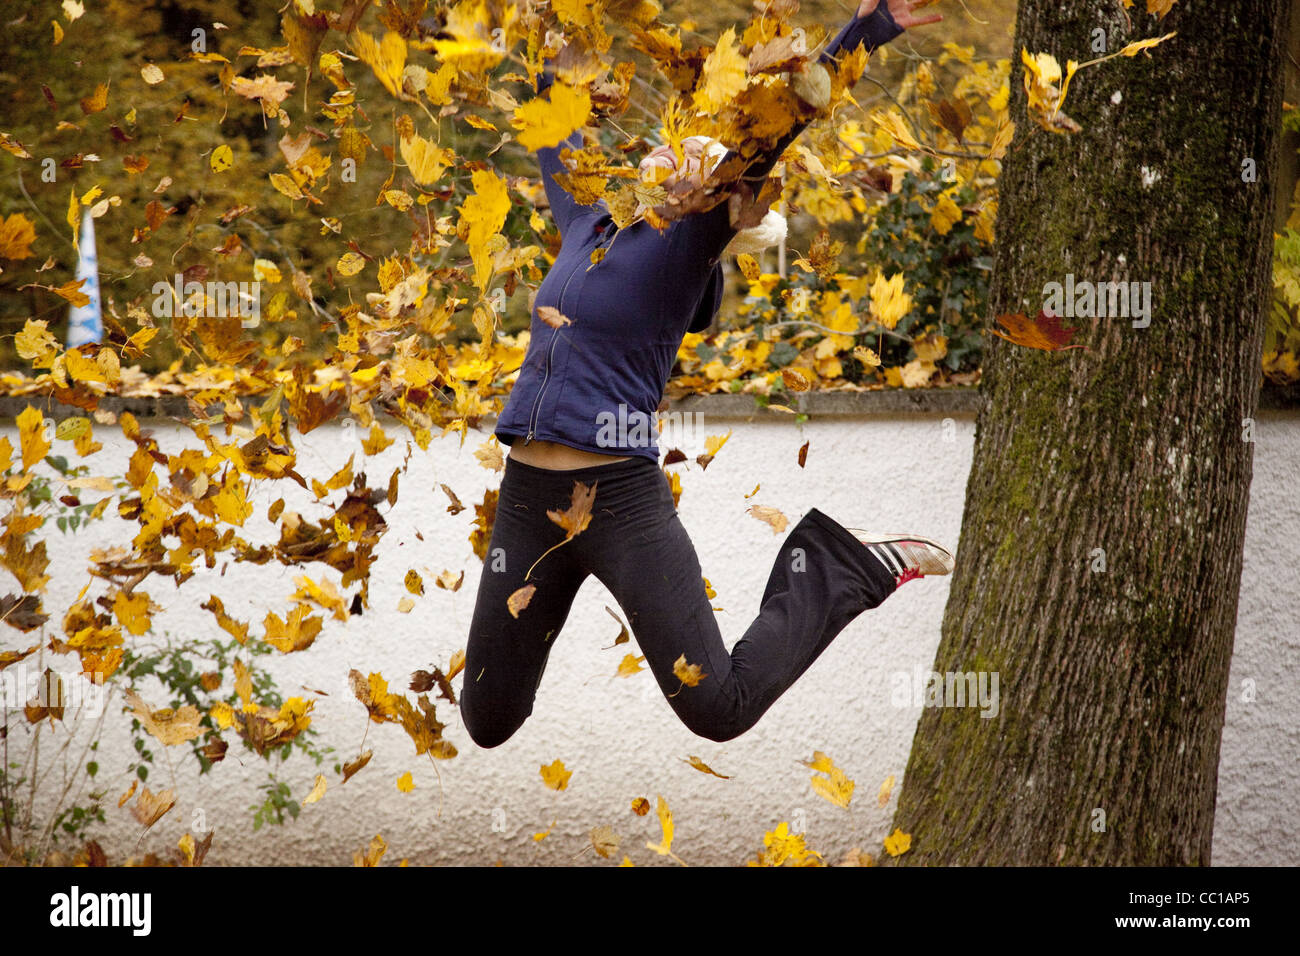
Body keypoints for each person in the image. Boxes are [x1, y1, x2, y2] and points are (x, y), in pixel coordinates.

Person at [461, 0, 950, 748]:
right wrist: (540, 28)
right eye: (677, 146)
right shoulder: (586, 217)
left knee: (716, 707)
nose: (678, 152)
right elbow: (547, 108)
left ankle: (841, 568)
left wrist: (869, 28)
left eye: (702, 158)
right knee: (486, 718)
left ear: (720, 197)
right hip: (529, 503)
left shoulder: (682, 247)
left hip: (620, 501)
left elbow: (782, 117)